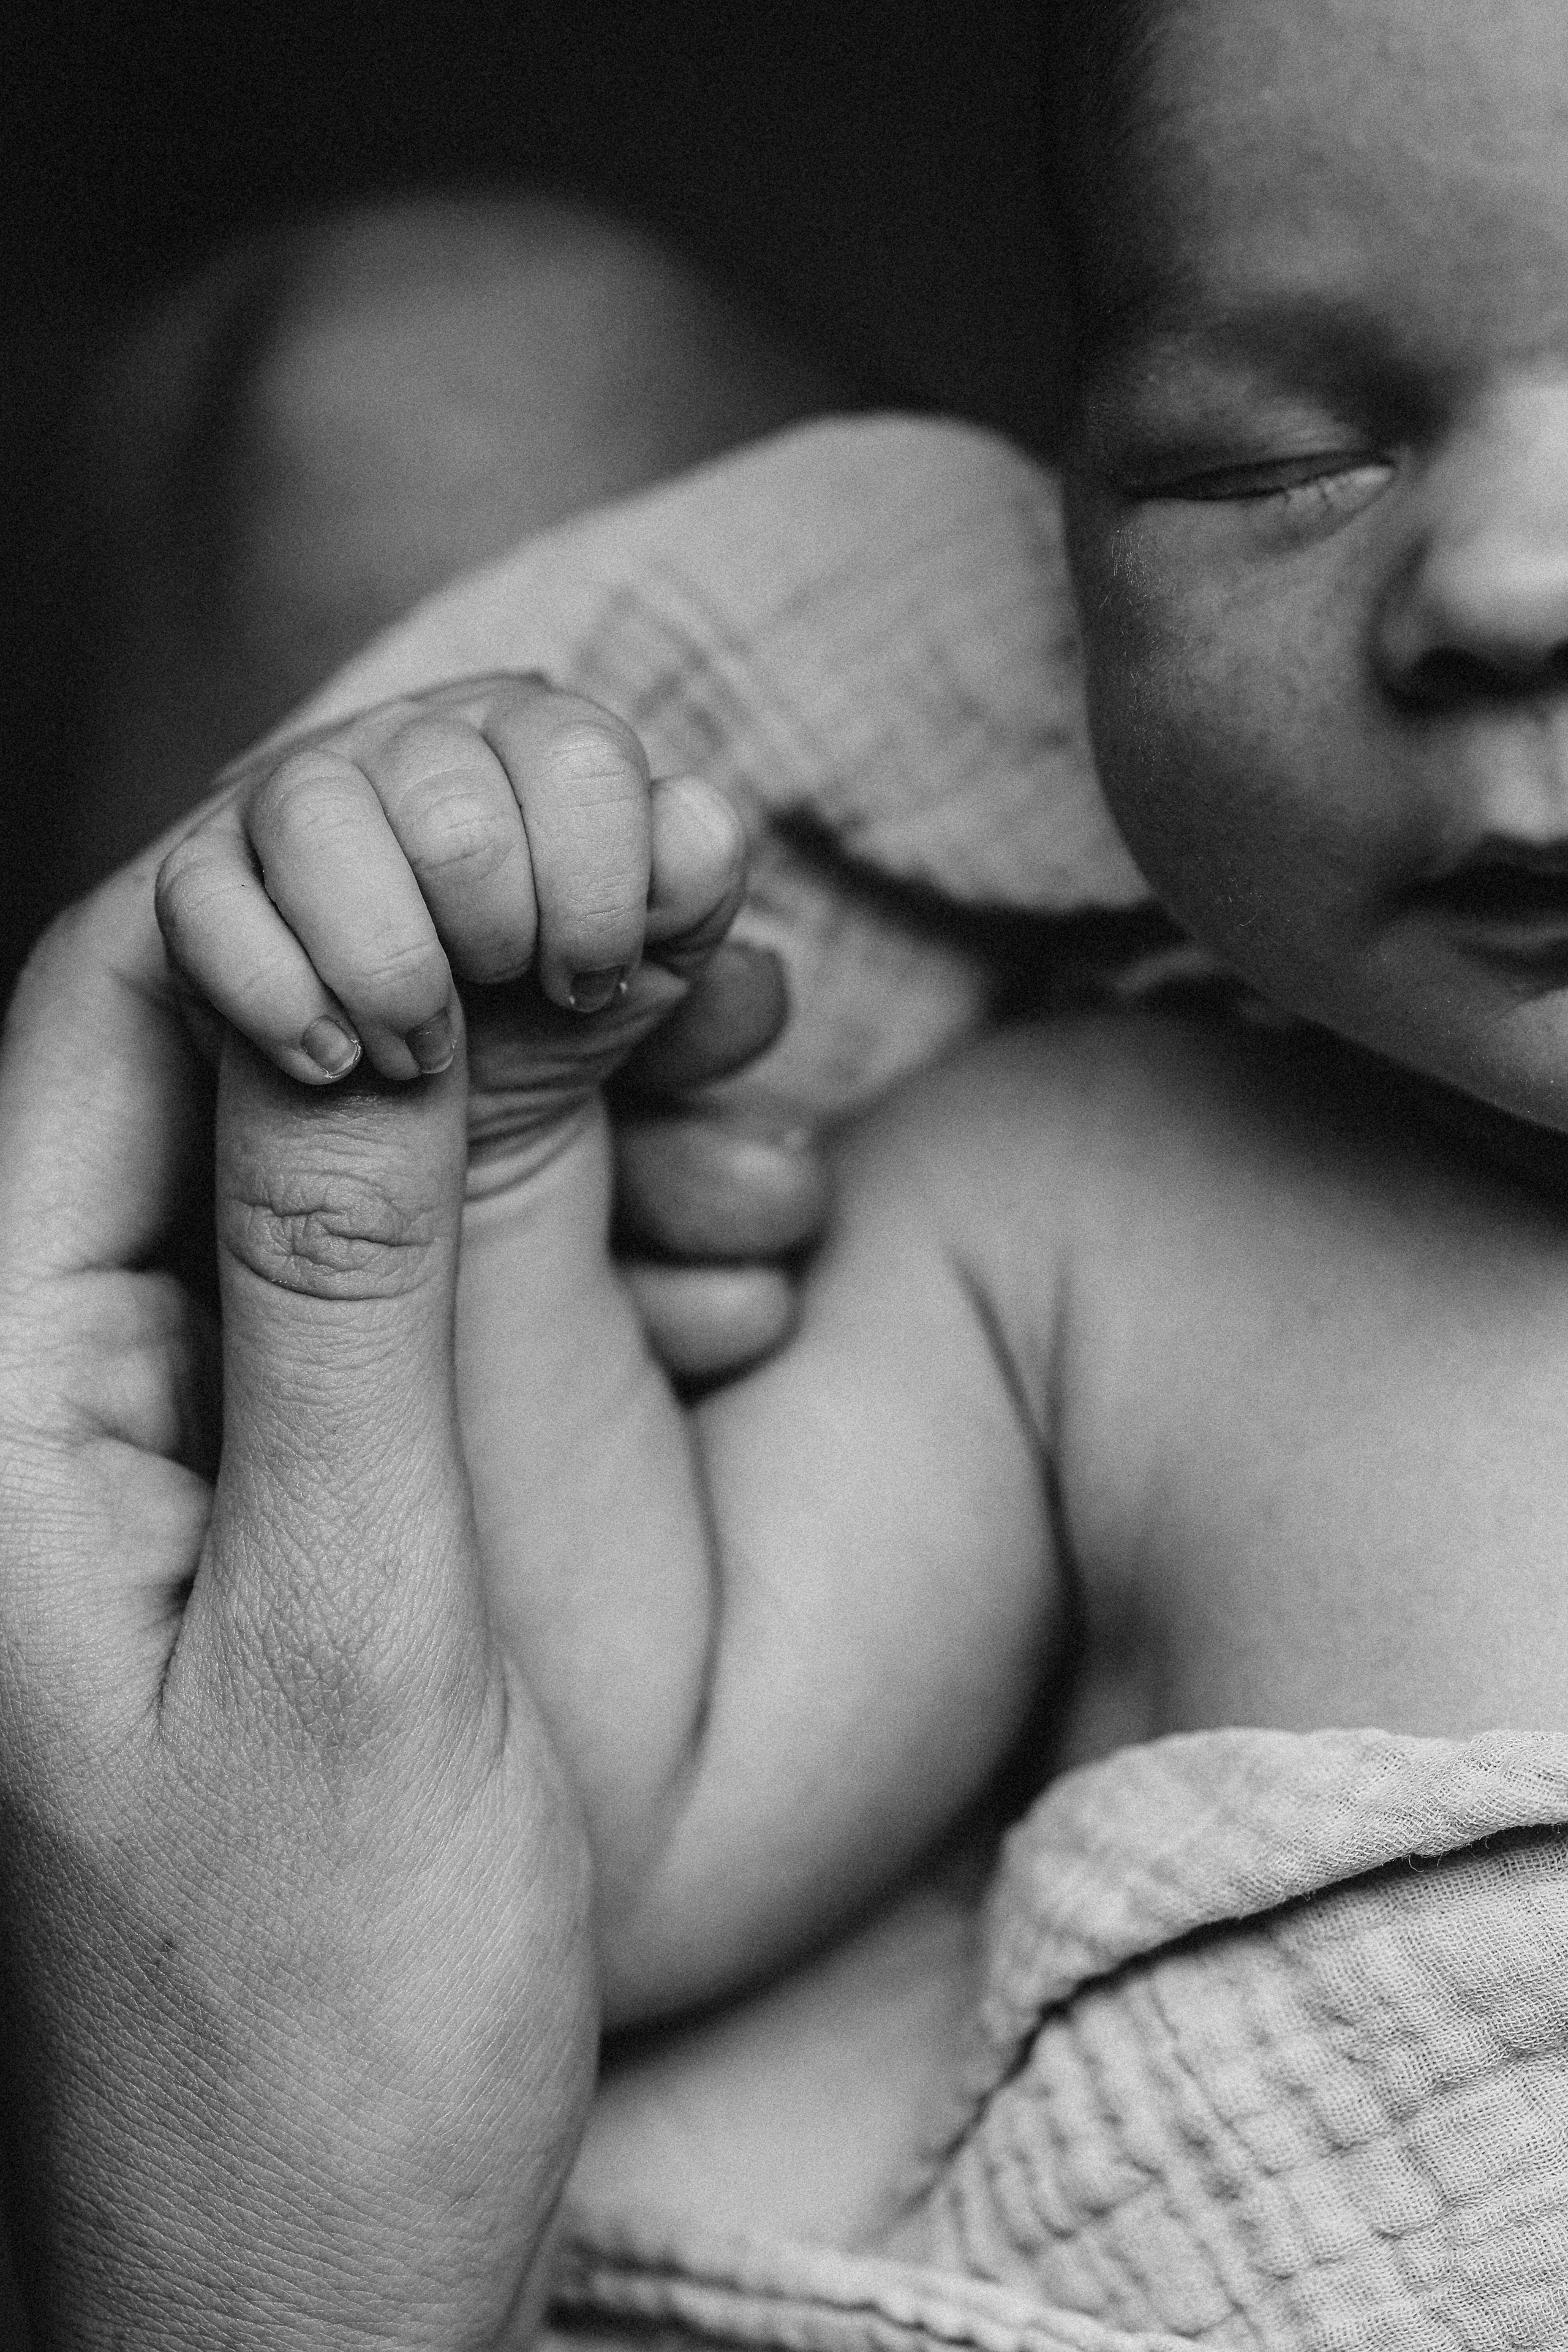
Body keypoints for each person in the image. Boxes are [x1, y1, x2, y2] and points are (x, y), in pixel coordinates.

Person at [8, 0, 1568, 2341]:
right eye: (1274, 463)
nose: (1505, 583)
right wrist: (503, 1153)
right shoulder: (1110, 1210)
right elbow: (594, 1830)